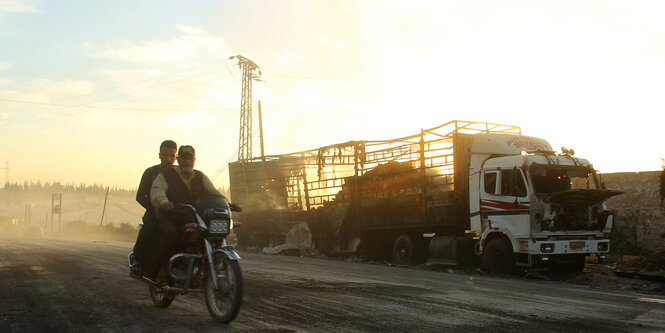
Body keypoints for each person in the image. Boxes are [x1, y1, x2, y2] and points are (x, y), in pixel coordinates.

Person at [149, 145, 235, 282]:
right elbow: (157, 191)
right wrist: (164, 202)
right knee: (170, 233)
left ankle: (202, 267)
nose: (188, 161)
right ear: (179, 159)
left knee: (210, 235)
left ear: (194, 160)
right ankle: (162, 269)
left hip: (195, 217)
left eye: (190, 158)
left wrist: (228, 204)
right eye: (184, 158)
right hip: (172, 217)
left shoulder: (200, 177)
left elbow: (213, 192)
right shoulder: (167, 175)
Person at [130, 140, 177, 276]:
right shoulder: (151, 172)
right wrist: (153, 208)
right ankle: (137, 260)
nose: (168, 159)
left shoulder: (177, 174)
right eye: (165, 155)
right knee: (149, 225)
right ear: (159, 155)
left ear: (176, 157)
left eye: (171, 156)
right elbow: (140, 196)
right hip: (154, 212)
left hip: (174, 213)